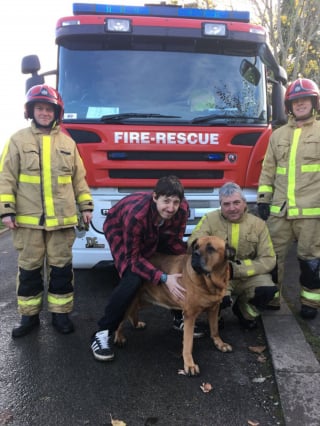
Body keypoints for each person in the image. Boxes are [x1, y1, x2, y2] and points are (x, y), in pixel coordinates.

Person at [0, 84, 93, 337]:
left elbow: (79, 180)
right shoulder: (17, 140)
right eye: (39, 108)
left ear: (56, 112)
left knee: (61, 270)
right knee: (29, 270)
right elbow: (5, 177)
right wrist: (6, 211)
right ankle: (28, 318)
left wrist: (85, 206)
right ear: (31, 111)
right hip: (27, 223)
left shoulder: (68, 143)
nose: (44, 112)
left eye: (48, 108)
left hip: (61, 222)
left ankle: (60, 315)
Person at [90, 175, 204, 362]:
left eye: (175, 202)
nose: (171, 207)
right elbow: (134, 259)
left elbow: (174, 244)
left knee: (174, 262)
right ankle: (103, 333)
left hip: (153, 229)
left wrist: (191, 265)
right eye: (166, 201)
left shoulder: (181, 210)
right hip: (119, 227)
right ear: (154, 197)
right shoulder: (137, 215)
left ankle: (178, 317)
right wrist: (163, 277)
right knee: (132, 277)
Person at [257, 78, 320, 319]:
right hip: (280, 211)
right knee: (271, 258)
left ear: (314, 103)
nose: (300, 104)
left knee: (310, 260)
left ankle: (310, 303)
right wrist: (263, 199)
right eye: (295, 100)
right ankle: (272, 298)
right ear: (289, 105)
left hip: (311, 211)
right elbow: (268, 169)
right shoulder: (278, 135)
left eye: (305, 99)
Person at [188, 182, 278, 329]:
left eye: (236, 202)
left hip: (248, 276)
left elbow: (268, 259)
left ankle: (245, 312)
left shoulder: (258, 225)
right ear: (220, 205)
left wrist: (237, 269)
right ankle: (216, 317)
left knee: (267, 291)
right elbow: (194, 242)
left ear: (244, 203)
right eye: (226, 204)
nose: (232, 208)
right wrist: (211, 256)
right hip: (218, 277)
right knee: (218, 299)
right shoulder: (209, 219)